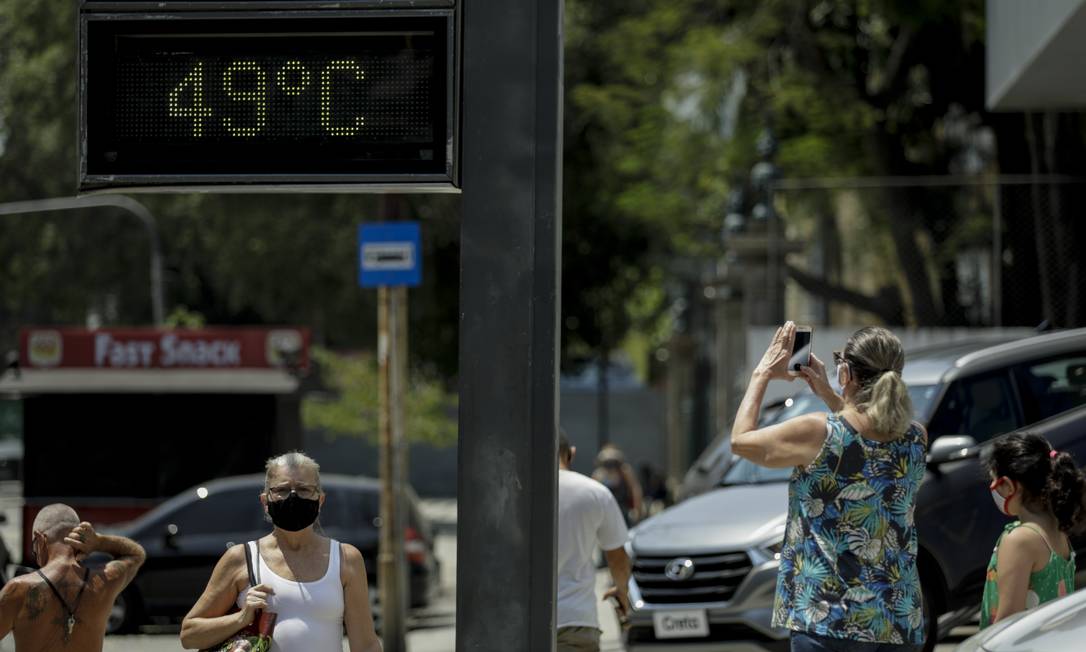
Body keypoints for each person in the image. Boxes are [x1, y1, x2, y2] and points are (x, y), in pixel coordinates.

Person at [730, 322, 927, 652]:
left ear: (846, 373)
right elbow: (862, 437)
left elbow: (740, 441)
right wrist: (828, 394)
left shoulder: (817, 431)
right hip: (897, 619)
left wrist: (761, 375)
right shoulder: (915, 437)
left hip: (830, 621)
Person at [180, 451, 381, 652]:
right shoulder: (241, 558)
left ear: (320, 500)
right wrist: (241, 618)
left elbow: (366, 644)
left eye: (303, 489)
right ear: (265, 501)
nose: (293, 497)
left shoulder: (346, 558)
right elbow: (189, 636)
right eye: (282, 490)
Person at [0, 503, 146, 651]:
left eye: (34, 548)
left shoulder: (19, 589)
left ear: (40, 539)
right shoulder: (102, 582)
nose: (36, 556)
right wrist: (99, 542)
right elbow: (136, 554)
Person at [979, 432, 1085, 628]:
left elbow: (1008, 622)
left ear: (1009, 485)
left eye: (995, 481)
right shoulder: (1057, 531)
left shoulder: (1020, 540)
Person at [558, 433, 631, 652]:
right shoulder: (595, 492)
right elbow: (617, 558)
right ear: (571, 453)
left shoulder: (516, 491)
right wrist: (621, 590)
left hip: (521, 621)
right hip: (576, 620)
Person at [591, 444, 643, 525]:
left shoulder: (625, 472)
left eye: (613, 461)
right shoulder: (598, 474)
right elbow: (592, 494)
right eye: (607, 462)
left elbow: (635, 489)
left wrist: (637, 509)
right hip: (605, 511)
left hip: (622, 509)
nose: (611, 465)